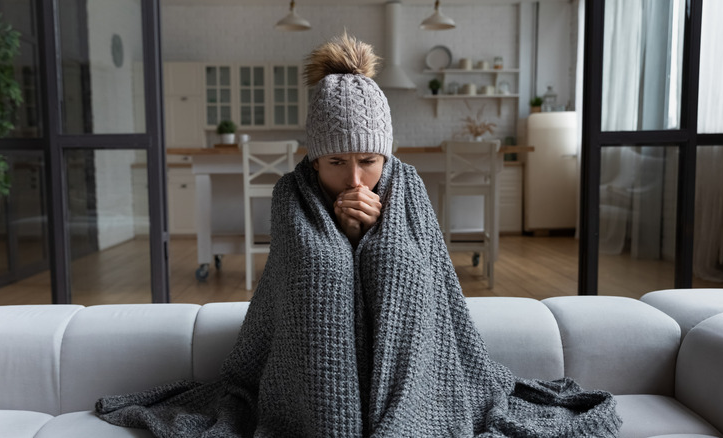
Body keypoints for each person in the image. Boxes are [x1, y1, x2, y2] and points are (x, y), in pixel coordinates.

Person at [96, 33, 621, 437]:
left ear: (386, 156)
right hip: (306, 384)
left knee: (396, 260)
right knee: (324, 268)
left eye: (368, 161)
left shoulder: (407, 186)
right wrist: (341, 238)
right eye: (336, 162)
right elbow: (298, 283)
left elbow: (430, 280)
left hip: (415, 370)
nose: (353, 179)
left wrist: (374, 241)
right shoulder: (290, 194)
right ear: (314, 158)